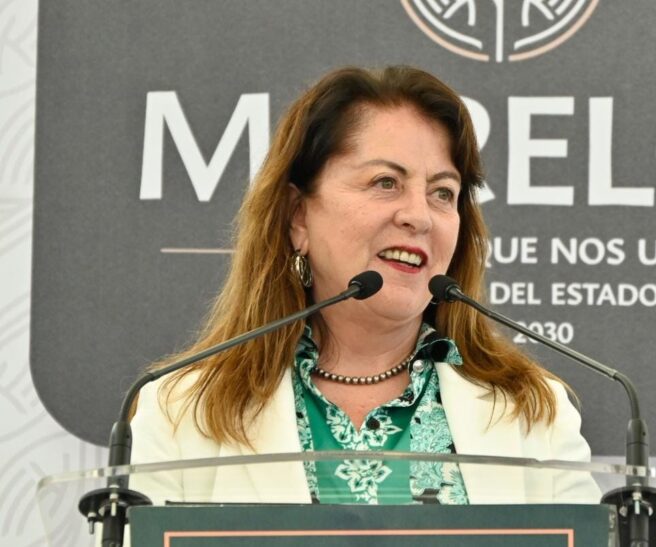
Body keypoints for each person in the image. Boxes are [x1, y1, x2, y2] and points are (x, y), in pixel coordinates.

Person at [130, 66, 600, 506]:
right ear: (298, 216)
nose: (418, 216)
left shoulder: (534, 412)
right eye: (385, 182)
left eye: (442, 192)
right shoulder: (181, 411)